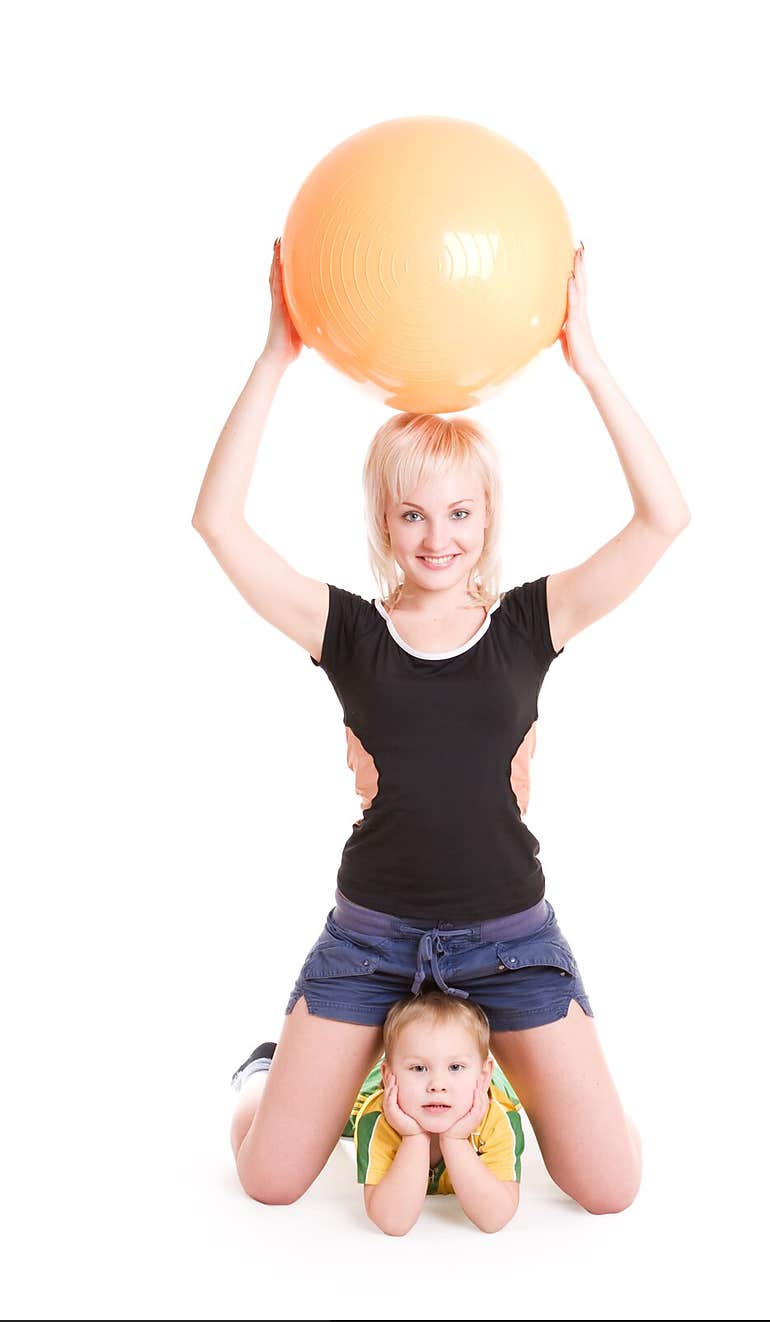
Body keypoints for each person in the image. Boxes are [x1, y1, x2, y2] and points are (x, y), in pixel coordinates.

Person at [194, 233, 691, 1215]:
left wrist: (586, 359)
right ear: (385, 522)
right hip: (371, 938)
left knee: (608, 1187)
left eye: (458, 514)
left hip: (507, 941)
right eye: (413, 516)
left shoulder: (526, 623)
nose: (437, 537)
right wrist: (272, 357)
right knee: (269, 1180)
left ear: (485, 517)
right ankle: (293, 1072)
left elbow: (662, 519)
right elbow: (218, 522)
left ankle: (481, 1076)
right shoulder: (348, 631)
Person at [234, 990, 525, 1235]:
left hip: (475, 1088)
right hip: (377, 1090)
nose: (437, 1085)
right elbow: (393, 1221)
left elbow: (494, 1218)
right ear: (390, 1076)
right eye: (419, 1068)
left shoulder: (496, 1118)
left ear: (484, 1076)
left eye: (455, 1068)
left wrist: (456, 1141)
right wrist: (413, 1137)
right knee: (305, 1122)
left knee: (516, 1085)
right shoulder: (379, 1116)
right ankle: (262, 1070)